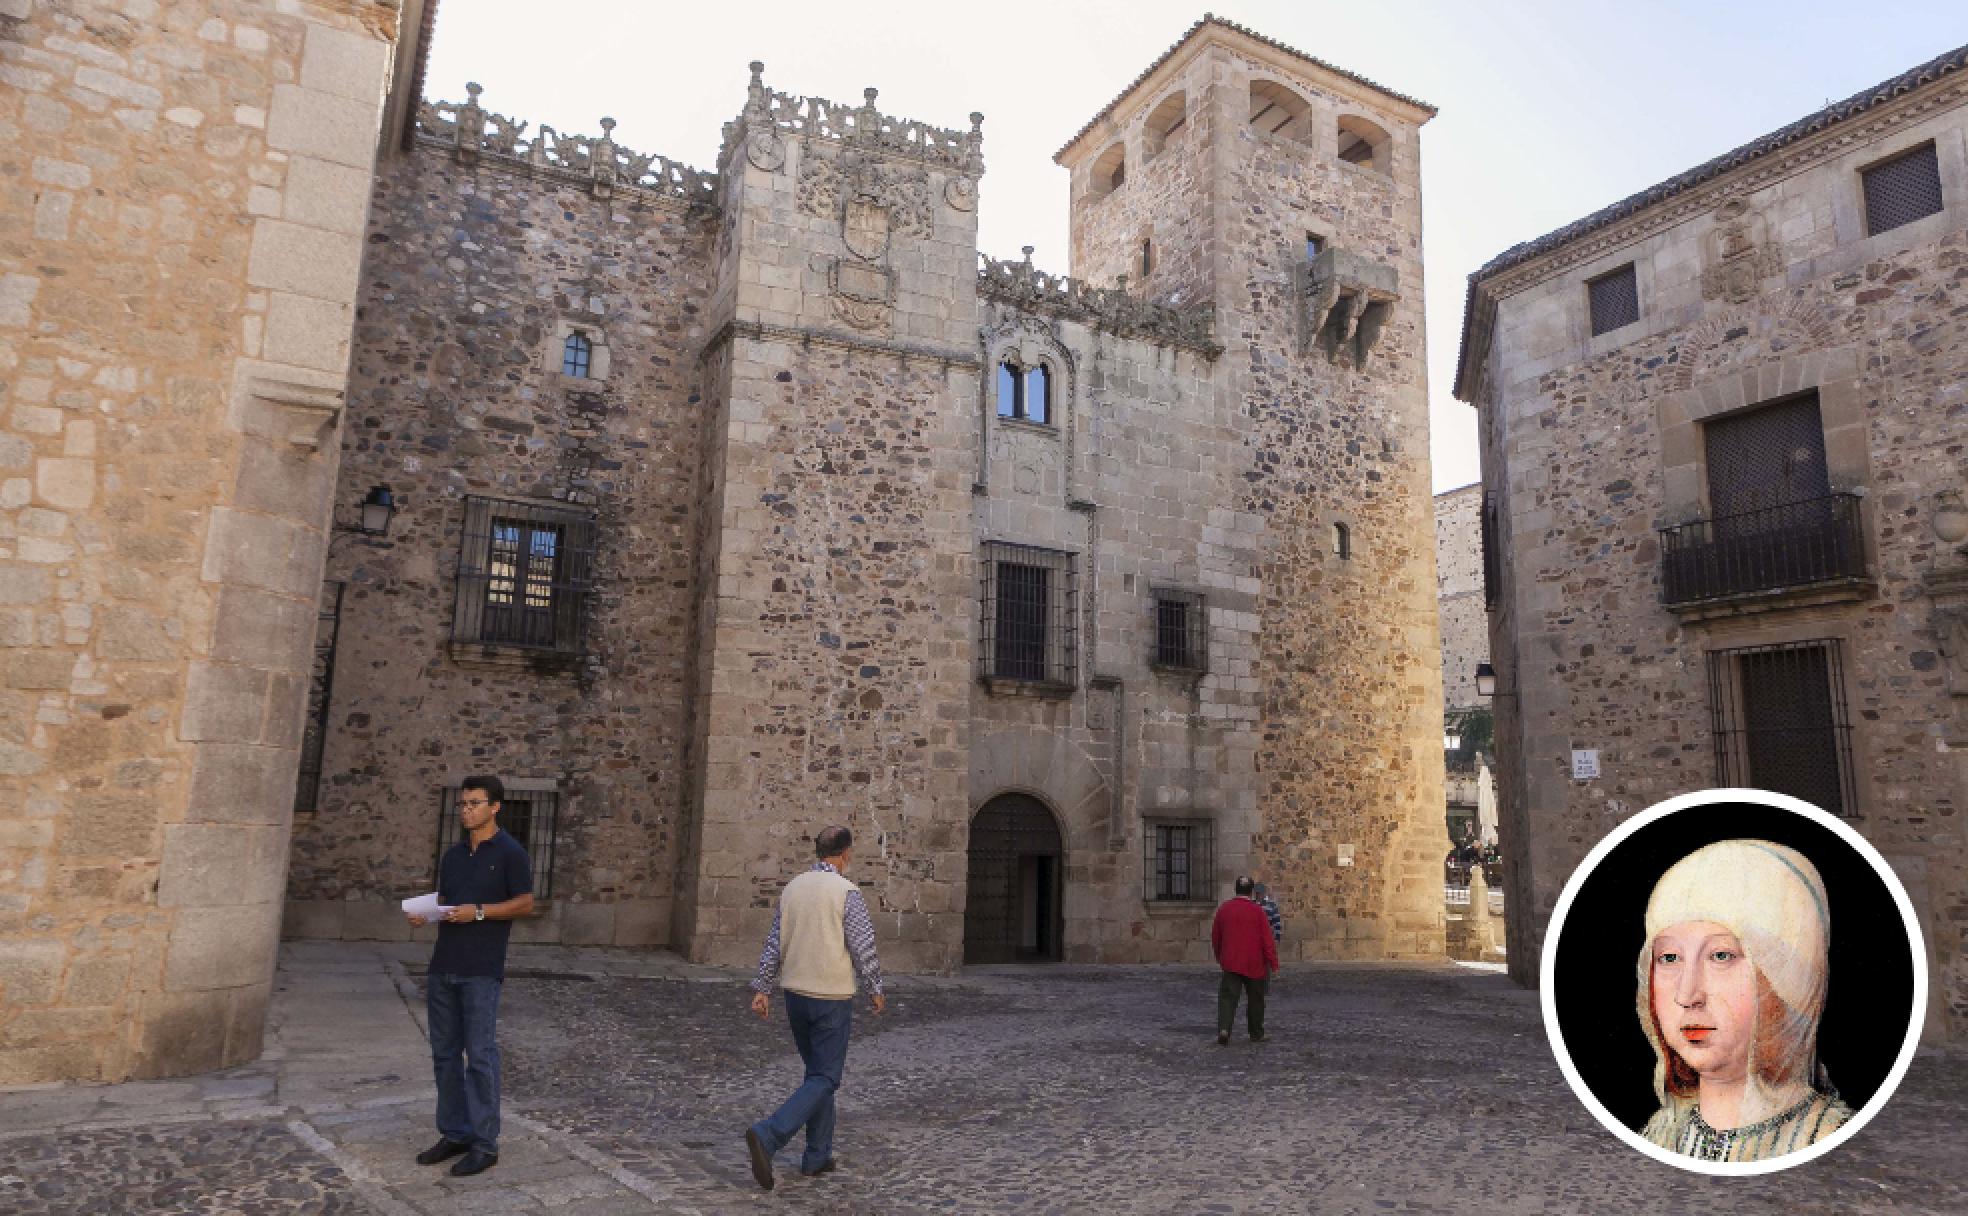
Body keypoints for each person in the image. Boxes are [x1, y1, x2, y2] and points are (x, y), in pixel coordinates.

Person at [1636, 838, 1853, 1162]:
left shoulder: (1827, 1138)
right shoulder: (1661, 1133)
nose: (1687, 995)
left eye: (1721, 956)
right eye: (1669, 958)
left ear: (1786, 983)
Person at [404, 775, 535, 1177]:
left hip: (481, 969)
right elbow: (449, 901)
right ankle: (456, 1133)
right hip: (444, 965)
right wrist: (427, 913)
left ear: (495, 807)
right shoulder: (454, 855)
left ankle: (485, 1143)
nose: (466, 810)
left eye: (474, 803)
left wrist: (478, 911)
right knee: (444, 1056)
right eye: (463, 804)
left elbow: (526, 903)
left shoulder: (512, 853)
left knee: (479, 1057)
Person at [744, 826, 885, 1190]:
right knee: (826, 1077)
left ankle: (817, 1156)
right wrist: (875, 988)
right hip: (830, 998)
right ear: (845, 853)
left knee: (816, 1074)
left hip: (795, 996)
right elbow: (862, 946)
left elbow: (775, 941)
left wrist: (762, 988)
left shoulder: (793, 888)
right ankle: (770, 1134)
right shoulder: (846, 892)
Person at [1210, 875, 1278, 1046]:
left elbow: (1216, 937)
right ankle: (1256, 1032)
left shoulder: (1224, 909)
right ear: (1251, 892)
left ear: (1236, 889)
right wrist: (1273, 962)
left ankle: (1224, 1029)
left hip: (1231, 961)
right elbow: (1267, 939)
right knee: (1256, 999)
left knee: (1227, 997)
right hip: (1255, 963)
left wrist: (1220, 956)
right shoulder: (1258, 911)